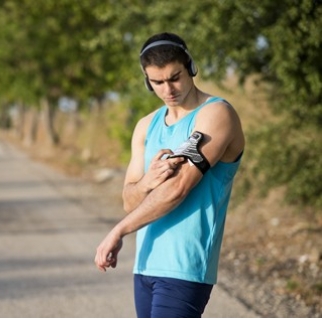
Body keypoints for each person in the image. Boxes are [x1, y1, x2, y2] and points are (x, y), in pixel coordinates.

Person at [94, 32, 245, 318]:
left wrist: (119, 230)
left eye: (174, 77)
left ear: (190, 67)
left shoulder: (216, 115)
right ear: (146, 80)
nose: (168, 89)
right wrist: (146, 183)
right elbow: (129, 200)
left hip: (185, 266)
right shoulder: (146, 126)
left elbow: (178, 188)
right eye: (157, 82)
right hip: (146, 264)